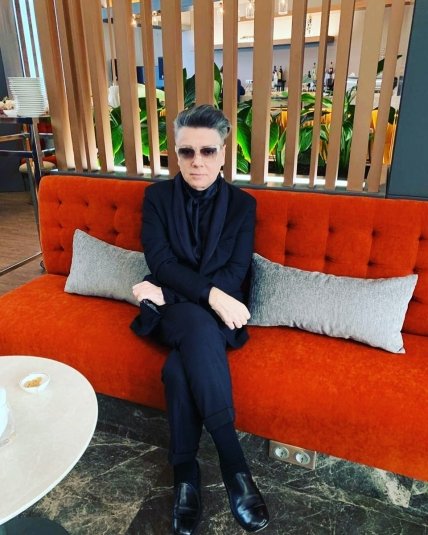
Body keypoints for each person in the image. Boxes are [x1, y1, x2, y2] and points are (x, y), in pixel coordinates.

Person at [130, 104, 269, 535]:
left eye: (208, 151)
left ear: (224, 153)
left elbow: (235, 271)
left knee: (177, 371)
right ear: (176, 152)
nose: (197, 162)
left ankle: (186, 476)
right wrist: (207, 295)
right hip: (182, 314)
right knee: (192, 323)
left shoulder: (243, 206)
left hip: (214, 314)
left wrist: (177, 292)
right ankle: (235, 467)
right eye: (187, 151)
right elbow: (161, 262)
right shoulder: (156, 199)